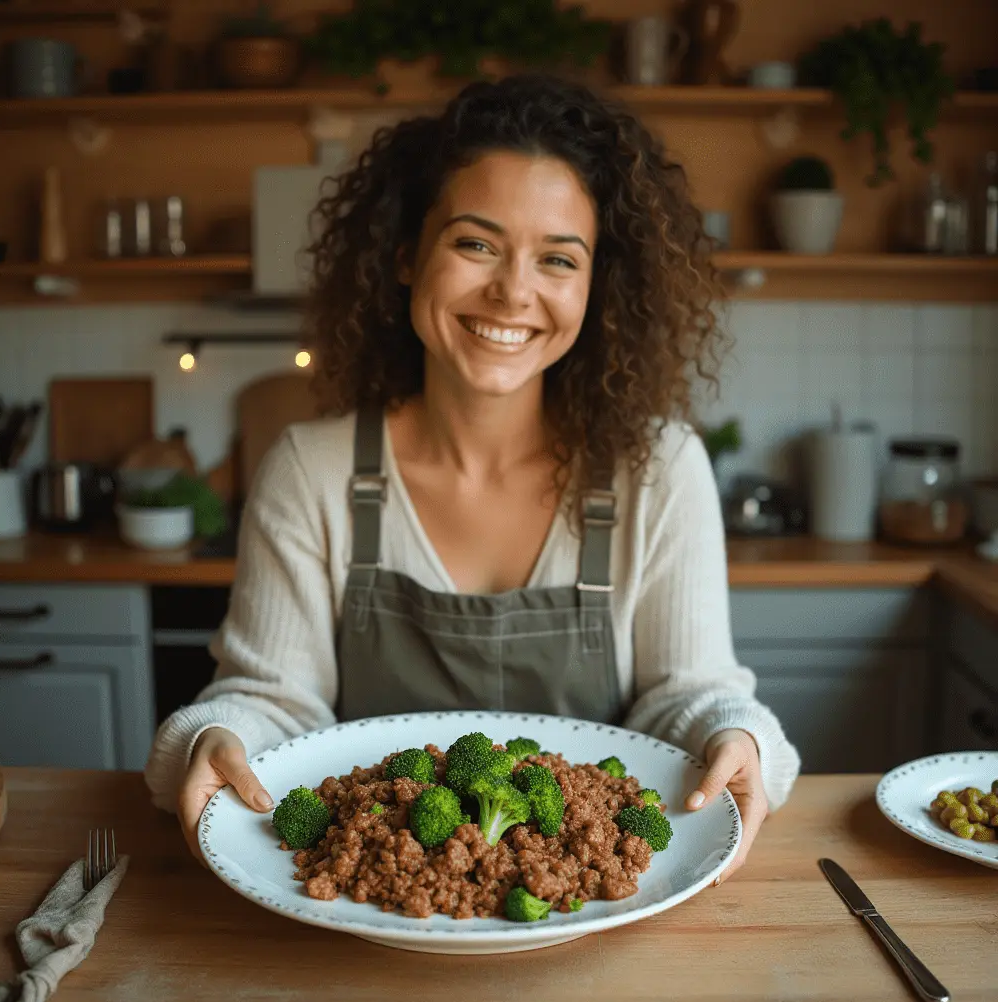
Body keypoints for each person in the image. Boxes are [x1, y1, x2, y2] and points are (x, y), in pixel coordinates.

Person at [144, 74, 800, 882]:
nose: (513, 291)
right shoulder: (309, 471)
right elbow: (277, 706)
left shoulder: (658, 470)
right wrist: (219, 736)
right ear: (403, 254)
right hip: (370, 897)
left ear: (597, 290)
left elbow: (685, 699)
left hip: (590, 899)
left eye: (558, 259)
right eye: (475, 244)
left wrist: (733, 735)